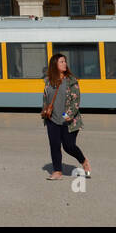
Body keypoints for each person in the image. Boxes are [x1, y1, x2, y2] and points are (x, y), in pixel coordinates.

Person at [42, 52, 91, 181]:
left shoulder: (71, 80)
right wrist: (45, 112)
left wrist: (68, 115)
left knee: (69, 146)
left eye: (65, 61)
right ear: (55, 65)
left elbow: (76, 100)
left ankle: (83, 160)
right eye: (61, 62)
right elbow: (46, 98)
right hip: (52, 119)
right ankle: (57, 171)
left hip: (68, 119)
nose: (64, 64)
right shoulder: (48, 81)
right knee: (54, 145)